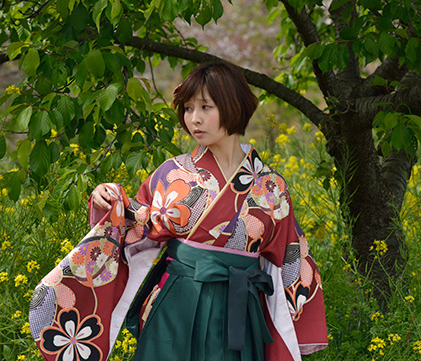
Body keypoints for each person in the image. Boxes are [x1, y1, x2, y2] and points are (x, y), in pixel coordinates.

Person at [29, 62, 328, 361]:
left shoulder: (270, 185)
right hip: (176, 303)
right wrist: (109, 200)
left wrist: (299, 323)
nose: (194, 118)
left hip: (239, 311)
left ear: (234, 105)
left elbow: (291, 255)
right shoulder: (173, 173)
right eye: (187, 108)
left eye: (205, 107)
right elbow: (138, 222)